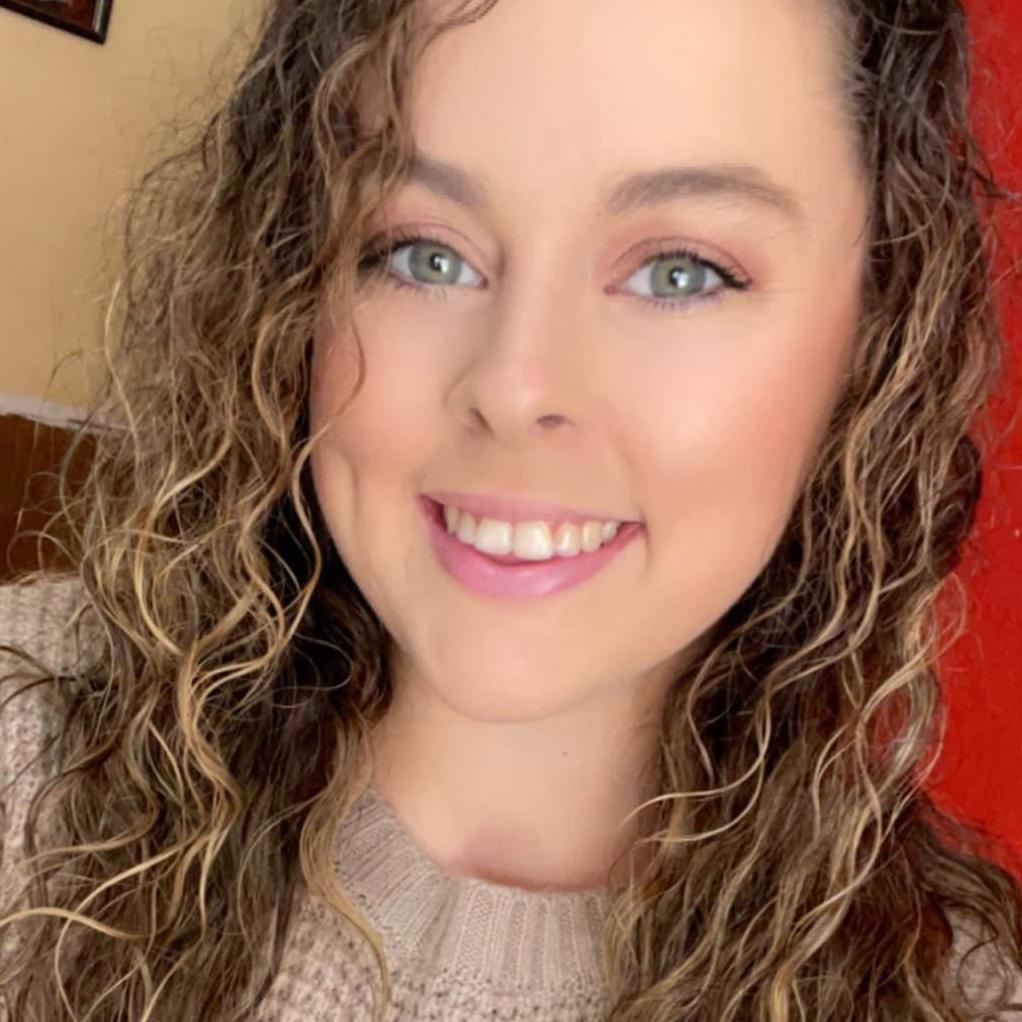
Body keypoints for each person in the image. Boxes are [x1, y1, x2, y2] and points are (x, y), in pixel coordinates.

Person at [2, 0, 1022, 1018]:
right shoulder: (28, 744)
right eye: (424, 253)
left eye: (680, 272)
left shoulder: (961, 995)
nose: (514, 383)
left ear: (875, 338)